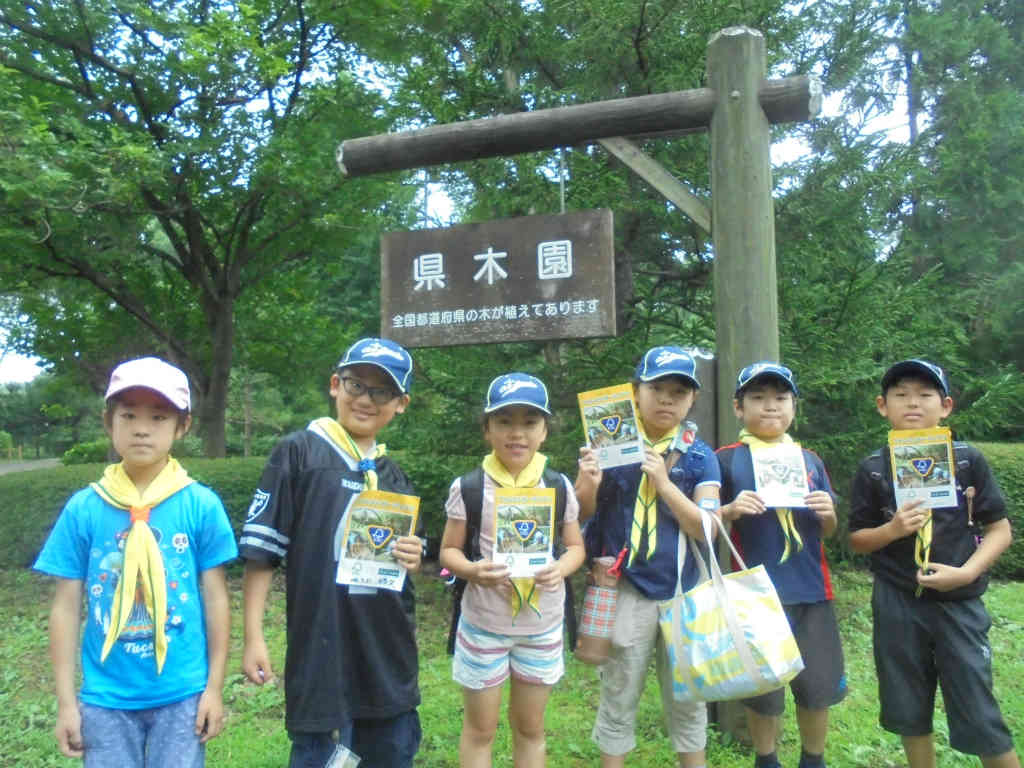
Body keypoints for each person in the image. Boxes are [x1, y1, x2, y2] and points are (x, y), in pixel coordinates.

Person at [33, 356, 237, 767]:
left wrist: (213, 688)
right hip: (105, 696)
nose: (142, 428)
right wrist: (66, 702)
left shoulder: (200, 504)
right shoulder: (84, 509)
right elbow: (66, 606)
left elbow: (216, 599)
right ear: (108, 422)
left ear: (183, 426)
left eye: (159, 417)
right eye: (128, 415)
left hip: (182, 693)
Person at [239, 337, 424, 768]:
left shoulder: (395, 478)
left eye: (382, 392)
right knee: (320, 752)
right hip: (322, 654)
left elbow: (405, 567)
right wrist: (253, 637)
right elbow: (262, 554)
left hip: (387, 659)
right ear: (334, 385)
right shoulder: (299, 452)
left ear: (401, 404)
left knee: (391, 750)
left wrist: (413, 553)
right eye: (356, 385)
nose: (366, 399)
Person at [848, 359, 1020, 768]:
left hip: (958, 601)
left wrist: (967, 572)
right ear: (881, 406)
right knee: (908, 707)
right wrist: (891, 530)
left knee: (978, 707)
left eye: (925, 395)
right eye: (901, 394)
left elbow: (1000, 529)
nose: (913, 403)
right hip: (897, 601)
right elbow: (856, 540)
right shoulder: (873, 468)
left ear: (946, 406)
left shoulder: (966, 460)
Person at [575, 346, 721, 768]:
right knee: (619, 692)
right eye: (656, 388)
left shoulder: (699, 456)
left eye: (679, 391)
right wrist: (588, 480)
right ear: (635, 391)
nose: (667, 398)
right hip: (625, 589)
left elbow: (707, 528)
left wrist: (663, 481)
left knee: (689, 699)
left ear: (693, 399)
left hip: (683, 593)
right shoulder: (609, 443)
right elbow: (581, 515)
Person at [440, 372, 585, 768]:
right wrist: (472, 570)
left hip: (541, 627)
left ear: (544, 432)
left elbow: (575, 547)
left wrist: (561, 568)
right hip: (484, 624)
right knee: (480, 730)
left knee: (531, 729)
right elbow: (448, 551)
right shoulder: (469, 487)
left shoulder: (557, 485)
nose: (516, 433)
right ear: (487, 429)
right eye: (504, 421)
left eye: (529, 422)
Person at [716, 362, 845, 768]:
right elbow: (703, 520)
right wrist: (730, 508)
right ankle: (766, 759)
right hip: (755, 593)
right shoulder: (726, 460)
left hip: (811, 590)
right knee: (764, 693)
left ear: (794, 407)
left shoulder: (809, 460)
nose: (770, 407)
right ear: (738, 408)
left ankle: (813, 759)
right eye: (757, 398)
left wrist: (827, 513)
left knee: (817, 685)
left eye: (780, 398)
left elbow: (828, 530)